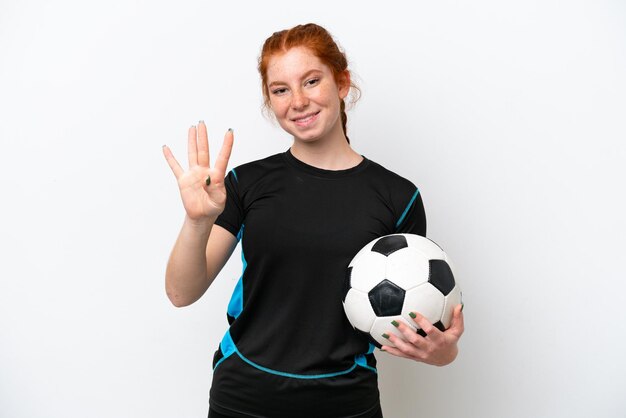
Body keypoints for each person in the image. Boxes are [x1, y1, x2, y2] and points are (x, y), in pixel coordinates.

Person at [162, 23, 464, 418]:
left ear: (342, 83)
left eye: (311, 81)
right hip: (245, 397)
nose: (298, 101)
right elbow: (181, 294)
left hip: (345, 403)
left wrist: (445, 353)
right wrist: (196, 221)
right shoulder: (246, 183)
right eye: (280, 89)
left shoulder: (397, 197)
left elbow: (417, 321)